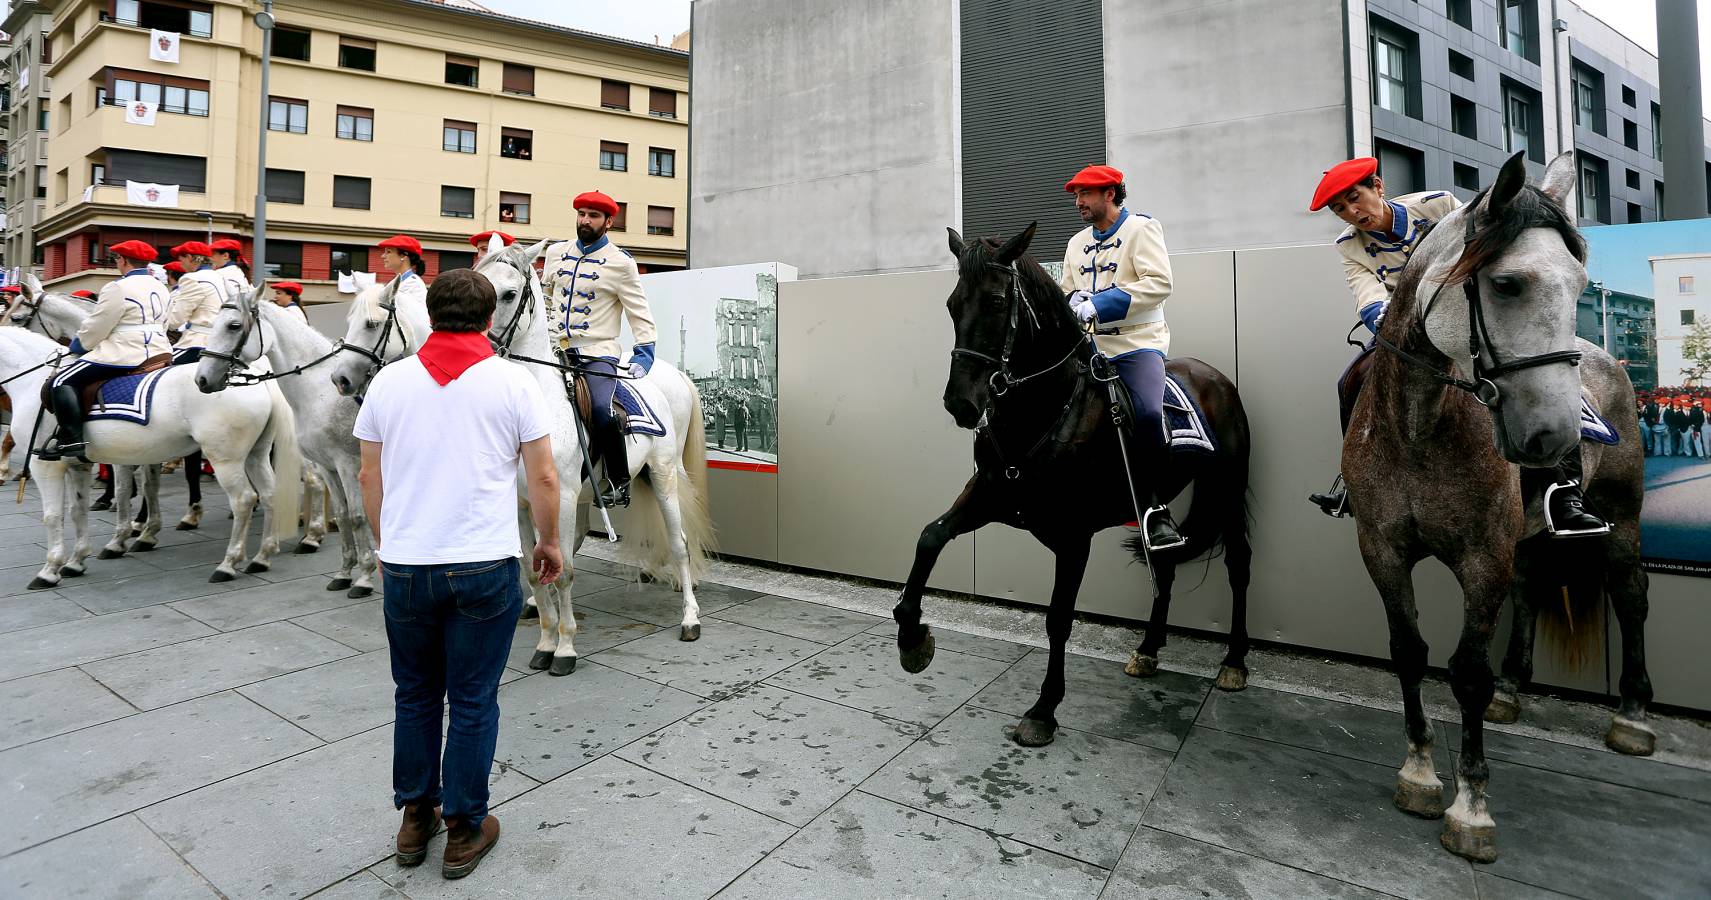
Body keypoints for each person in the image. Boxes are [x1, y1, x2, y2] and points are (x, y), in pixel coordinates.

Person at [353, 268, 562, 881]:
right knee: (472, 699)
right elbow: (544, 476)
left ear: (431, 316)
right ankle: (465, 828)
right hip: (483, 564)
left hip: (408, 567)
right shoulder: (513, 381)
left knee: (414, 694)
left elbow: (371, 476)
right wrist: (548, 541)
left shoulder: (389, 383)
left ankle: (415, 817)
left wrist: (390, 544)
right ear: (490, 318)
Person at [1305, 157, 1607, 537]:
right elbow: (1367, 295)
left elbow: (1490, 251)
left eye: (1355, 198)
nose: (1352, 212)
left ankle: (1562, 491)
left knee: (1529, 377)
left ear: (1377, 186)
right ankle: (1353, 481)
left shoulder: (1439, 205)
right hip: (1405, 334)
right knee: (1349, 380)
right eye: (1340, 209)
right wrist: (1383, 318)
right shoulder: (1349, 246)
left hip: (1466, 322)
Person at [1058, 164, 1185, 552]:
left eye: (1086, 194)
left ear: (1110, 194)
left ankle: (1154, 508)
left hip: (1137, 344)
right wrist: (1071, 301)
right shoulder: (1076, 242)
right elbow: (1066, 291)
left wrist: (1099, 304)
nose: (1079, 202)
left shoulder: (1142, 229)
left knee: (1147, 412)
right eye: (1077, 195)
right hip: (1090, 347)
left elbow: (1159, 283)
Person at [541, 190, 657, 507]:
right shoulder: (555, 254)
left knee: (605, 413)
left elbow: (639, 312)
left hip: (596, 353)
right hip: (553, 352)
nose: (585, 220)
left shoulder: (621, 263)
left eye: (593, 216)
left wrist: (643, 354)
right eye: (581, 214)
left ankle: (619, 481)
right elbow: (546, 300)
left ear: (608, 222)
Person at [38, 241, 170, 461]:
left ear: (123, 260)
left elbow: (99, 324)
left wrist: (80, 345)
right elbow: (164, 323)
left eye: (117, 259)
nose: (117, 263)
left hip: (125, 353)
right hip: (160, 350)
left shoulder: (117, 287)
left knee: (62, 381)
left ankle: (72, 439)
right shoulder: (160, 286)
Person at [166, 241, 222, 365]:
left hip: (198, 343)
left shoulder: (192, 279)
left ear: (190, 257)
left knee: (157, 366)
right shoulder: (220, 276)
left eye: (182, 260)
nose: (181, 264)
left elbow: (175, 321)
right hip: (220, 341)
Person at [378, 234, 429, 309]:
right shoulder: (402, 281)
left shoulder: (413, 285)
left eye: (388, 252)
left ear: (403, 256)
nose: (383, 256)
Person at [210, 238, 251, 302]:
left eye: (213, 254)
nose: (211, 258)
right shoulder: (239, 271)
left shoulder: (219, 274)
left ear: (225, 256)